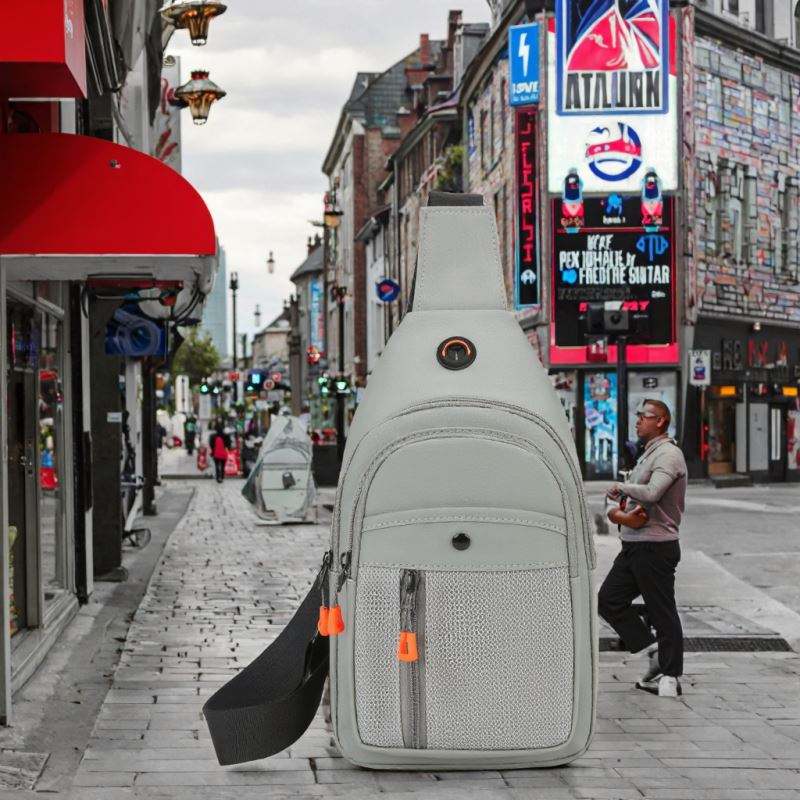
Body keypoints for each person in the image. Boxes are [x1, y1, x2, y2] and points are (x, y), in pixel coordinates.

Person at [597, 398, 687, 698]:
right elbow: (626, 503)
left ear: (660, 421)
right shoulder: (646, 455)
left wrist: (621, 487)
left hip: (656, 546)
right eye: (637, 416)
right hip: (634, 546)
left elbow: (652, 492)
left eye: (644, 416)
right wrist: (619, 511)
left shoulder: (669, 454)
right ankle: (652, 651)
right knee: (608, 600)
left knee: (662, 611)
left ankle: (670, 676)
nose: (637, 421)